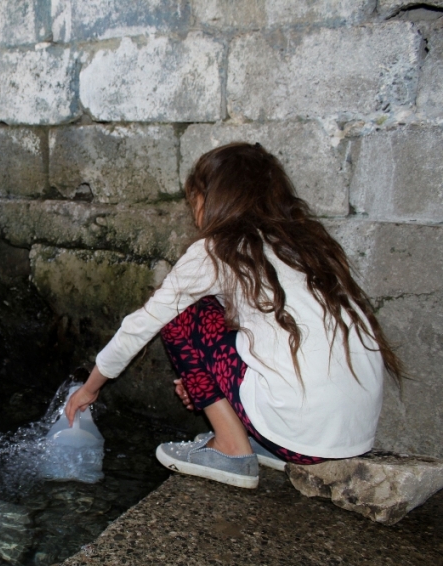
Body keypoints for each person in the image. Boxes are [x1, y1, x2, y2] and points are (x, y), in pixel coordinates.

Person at [65, 142, 402, 489]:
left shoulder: (217, 250)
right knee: (214, 316)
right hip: (351, 436)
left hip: (299, 433)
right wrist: (205, 380)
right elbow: (267, 336)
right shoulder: (308, 244)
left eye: (194, 199)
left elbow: (142, 324)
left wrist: (90, 388)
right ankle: (257, 436)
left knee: (181, 316)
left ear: (209, 199)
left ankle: (231, 447)